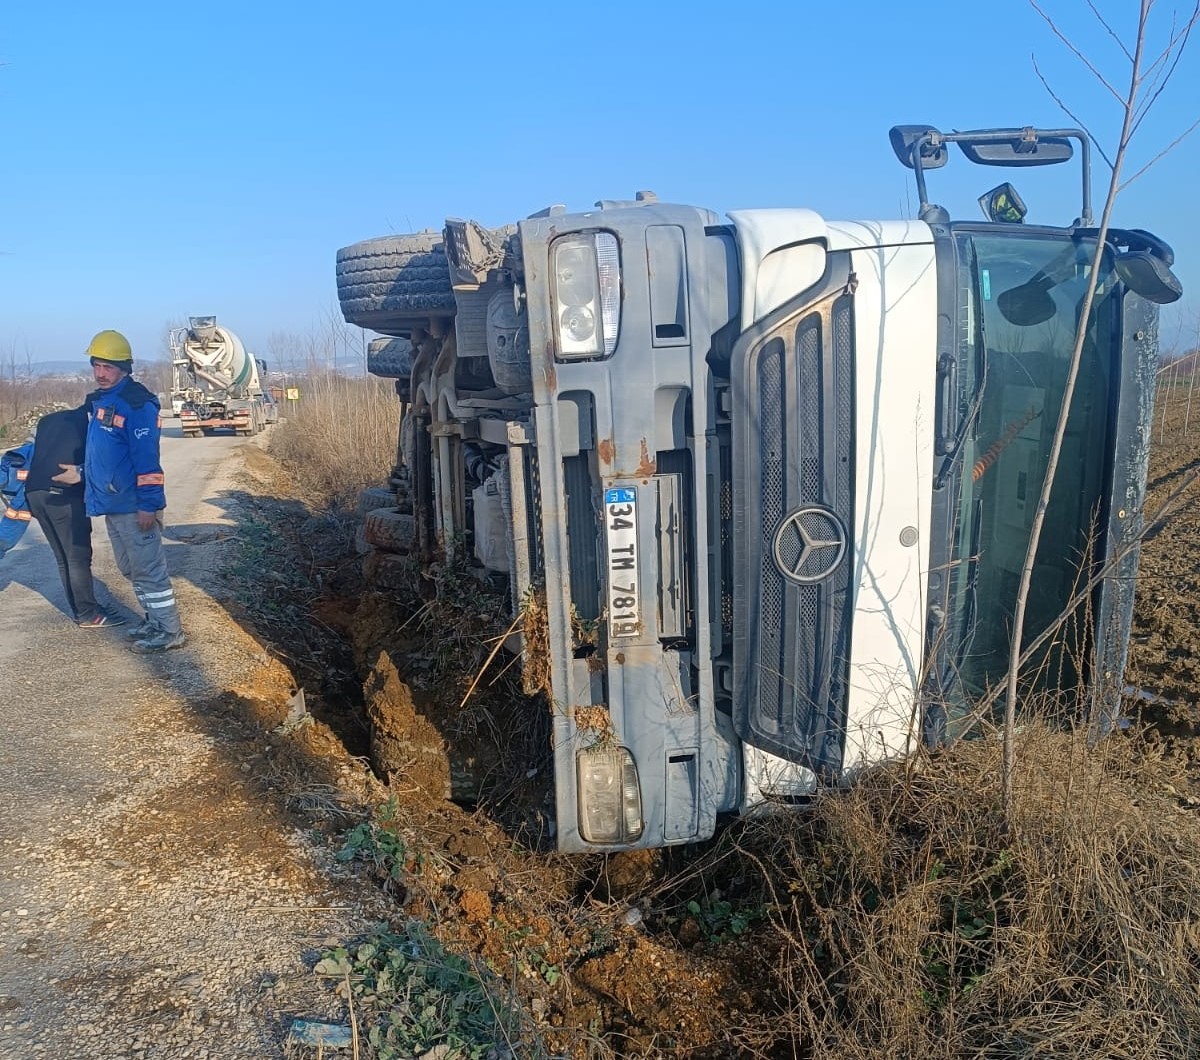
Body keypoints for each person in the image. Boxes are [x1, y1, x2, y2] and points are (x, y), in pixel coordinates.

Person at [53, 330, 186, 653]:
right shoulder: (103, 402)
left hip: (134, 505)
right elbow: (105, 455)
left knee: (148, 569)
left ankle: (170, 630)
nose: (100, 373)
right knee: (130, 568)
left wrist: (149, 505)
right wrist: (81, 473)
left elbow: (147, 460)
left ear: (124, 368)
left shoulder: (135, 404)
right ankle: (154, 620)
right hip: (113, 503)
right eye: (96, 366)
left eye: (107, 367)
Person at [24, 403, 124, 627]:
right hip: (62, 493)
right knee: (77, 556)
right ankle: (89, 614)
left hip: (35, 492)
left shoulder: (47, 420)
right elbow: (99, 457)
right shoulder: (90, 425)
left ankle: (83, 610)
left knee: (63, 557)